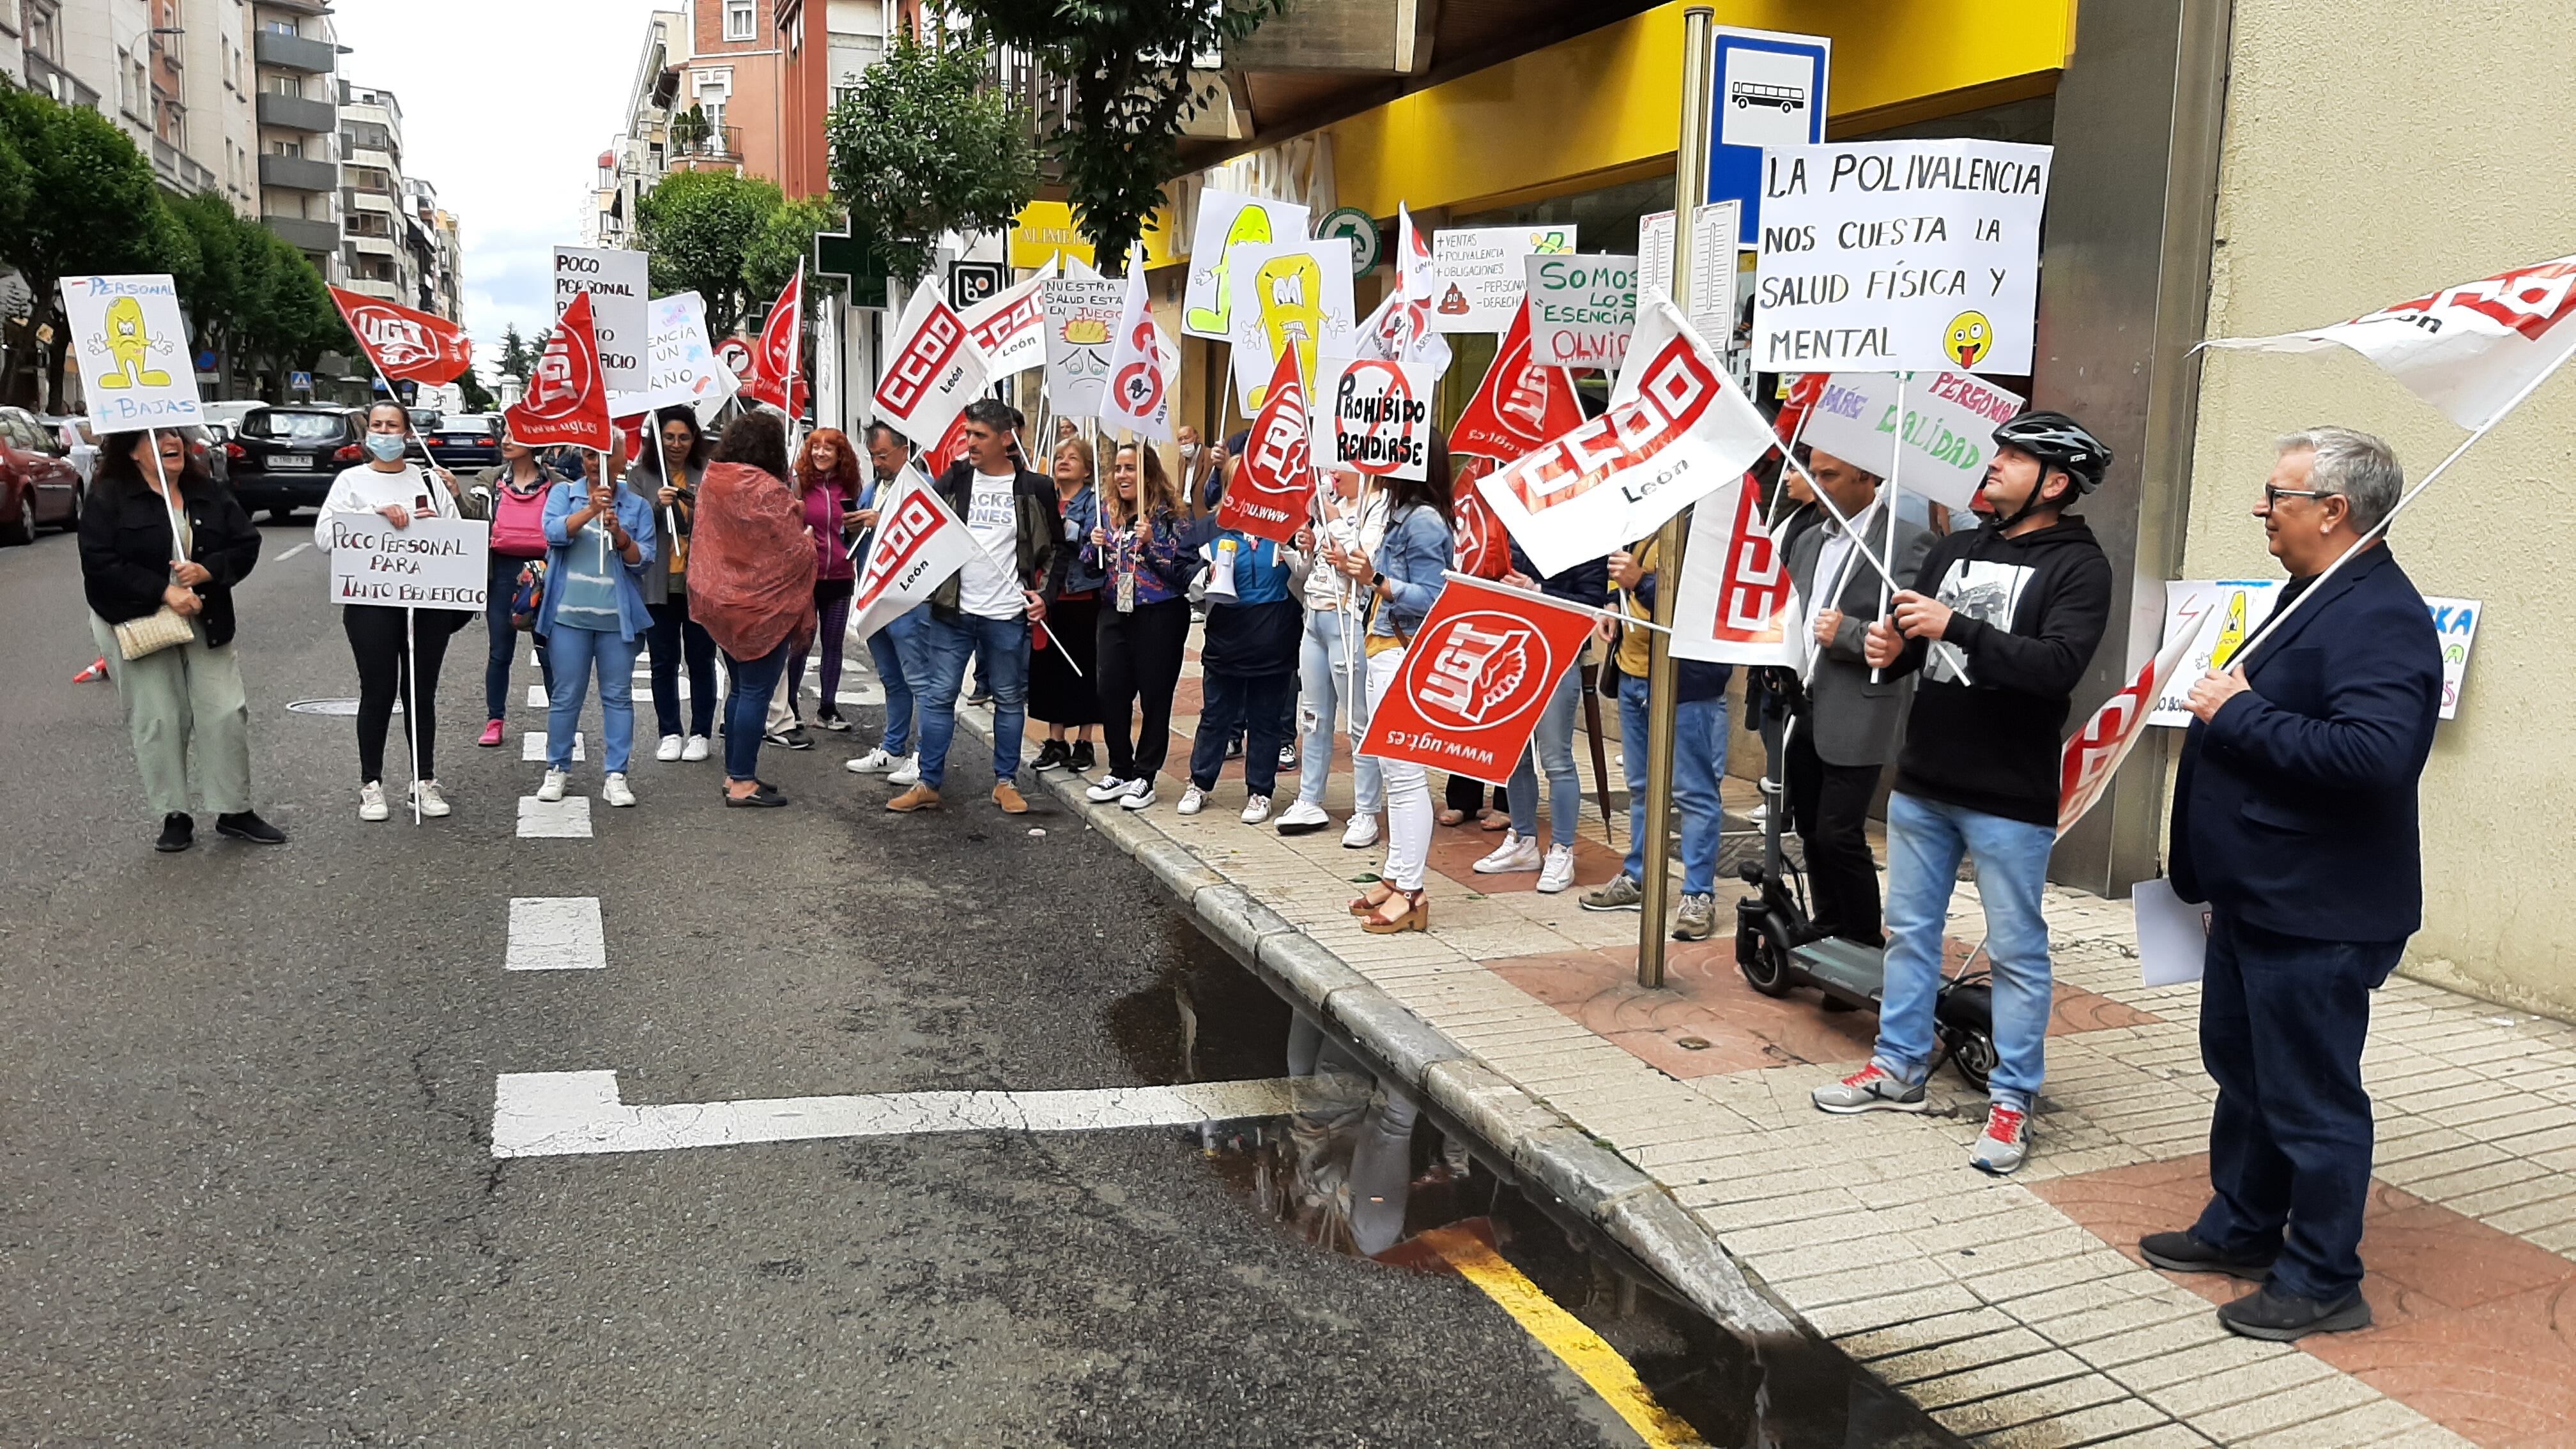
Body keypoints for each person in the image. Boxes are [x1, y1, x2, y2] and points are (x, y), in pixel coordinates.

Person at [2143, 428, 2441, 1342]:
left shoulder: (2379, 615)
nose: (2262, 510)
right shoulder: (2313, 594)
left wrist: (2240, 714)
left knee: (2312, 1097)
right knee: (2248, 1077)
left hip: (2319, 908)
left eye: (2276, 494)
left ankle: (2322, 1279)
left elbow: (2374, 756)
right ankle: (2242, 1227)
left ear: (2333, 510)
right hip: (2259, 896)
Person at [1811, 410, 2116, 1178]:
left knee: (2017, 951)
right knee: (1911, 933)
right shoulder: (1956, 547)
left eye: (2014, 459)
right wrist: (1893, 648)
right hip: (1925, 782)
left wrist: (1956, 627)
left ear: (2055, 482)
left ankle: (2013, 1099)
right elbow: (1917, 651)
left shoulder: (2081, 567)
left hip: (2009, 794)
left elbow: (2054, 667)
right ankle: (1899, 1067)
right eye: (1999, 453)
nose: (1994, 465)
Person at [79, 427, 284, 852]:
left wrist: (208, 572)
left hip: (202, 613)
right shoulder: (110, 498)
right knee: (160, 718)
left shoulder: (205, 490)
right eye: (156, 437)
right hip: (137, 618)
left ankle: (235, 810)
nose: (171, 442)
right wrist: (164, 590)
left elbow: (246, 542)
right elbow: (99, 562)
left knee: (225, 710)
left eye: (174, 435)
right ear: (133, 452)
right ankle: (174, 815)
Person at [1784, 447, 1934, 946]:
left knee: (1838, 832)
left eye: (1830, 474)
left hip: (1859, 709)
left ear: (1866, 476)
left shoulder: (1906, 544)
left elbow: (1913, 635)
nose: (1818, 484)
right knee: (1809, 826)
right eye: (1815, 473)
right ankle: (1828, 922)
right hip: (1802, 702)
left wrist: (1847, 634)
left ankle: (1863, 938)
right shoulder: (1807, 539)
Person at [891, 398, 1057, 815]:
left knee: (1007, 698)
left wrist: (1046, 595)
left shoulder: (1034, 487)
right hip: (953, 612)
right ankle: (928, 782)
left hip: (1006, 614)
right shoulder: (957, 479)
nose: (970, 442)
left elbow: (1059, 548)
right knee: (938, 696)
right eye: (967, 434)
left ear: (1006, 439)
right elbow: (925, 525)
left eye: (979, 435)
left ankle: (1005, 782)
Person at [312, 401, 472, 822]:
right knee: (378, 690)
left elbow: (458, 535)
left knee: (420, 693)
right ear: (369, 432)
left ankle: (424, 781)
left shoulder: (428, 480)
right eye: (378, 425)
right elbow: (326, 536)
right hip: (372, 603)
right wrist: (372, 515)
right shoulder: (350, 481)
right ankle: (371, 784)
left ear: (406, 434)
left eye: (393, 426)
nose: (384, 432)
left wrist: (435, 519)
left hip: (426, 603)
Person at [1578, 535, 1733, 940]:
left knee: (1695, 792)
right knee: (1642, 787)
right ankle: (1640, 875)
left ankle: (1698, 893)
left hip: (1687, 683)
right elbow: (1618, 567)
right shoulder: (1643, 515)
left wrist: (1639, 582)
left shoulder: (1710, 521)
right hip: (1634, 675)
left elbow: (1706, 603)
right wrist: (1613, 602)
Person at [1341, 434, 1457, 934]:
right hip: (1385, 647)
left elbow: (1435, 598)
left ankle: (1411, 891)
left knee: (1407, 778)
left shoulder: (1425, 521)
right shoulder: (1400, 513)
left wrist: (1379, 581)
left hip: (1403, 652)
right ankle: (1396, 877)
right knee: (1394, 774)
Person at [686, 411, 815, 807]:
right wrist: (808, 540)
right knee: (757, 691)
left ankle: (735, 774)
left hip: (719, 597)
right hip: (761, 605)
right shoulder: (769, 489)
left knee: (741, 687)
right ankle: (742, 782)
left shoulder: (714, 478)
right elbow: (791, 548)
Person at [1477, 540, 1609, 894]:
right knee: (1515, 755)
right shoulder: (1512, 530)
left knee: (1556, 758)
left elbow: (1594, 600)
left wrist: (1536, 589)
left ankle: (1562, 848)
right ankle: (1522, 840)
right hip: (1510, 646)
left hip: (1559, 651)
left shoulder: (1585, 536)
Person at [533, 439, 658, 808]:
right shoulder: (563, 494)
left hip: (617, 619)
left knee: (618, 696)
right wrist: (589, 511)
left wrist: (620, 535)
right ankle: (557, 768)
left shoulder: (636, 506)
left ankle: (616, 774)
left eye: (607, 455)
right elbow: (553, 533)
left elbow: (643, 561)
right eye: (590, 454)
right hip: (567, 616)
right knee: (565, 695)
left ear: (622, 460)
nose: (597, 463)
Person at [1273, 466, 1388, 847]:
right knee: (1313, 716)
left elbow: (1363, 562)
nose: (1334, 475)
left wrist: (1335, 523)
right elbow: (1309, 572)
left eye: (1341, 467)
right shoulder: (1330, 506)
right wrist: (1304, 546)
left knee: (1358, 720)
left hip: (1349, 620)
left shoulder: (1377, 504)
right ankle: (1309, 799)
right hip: (1316, 619)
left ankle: (1367, 811)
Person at [1176, 490, 1306, 825]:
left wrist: (1299, 548)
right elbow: (1185, 576)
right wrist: (1205, 576)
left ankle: (1260, 791)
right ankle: (1200, 783)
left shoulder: (1286, 530)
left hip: (1273, 634)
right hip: (1227, 636)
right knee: (1216, 715)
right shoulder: (1213, 530)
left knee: (1266, 718)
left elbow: (1305, 580)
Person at [1082, 440, 1198, 812]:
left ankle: (1146, 776)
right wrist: (1092, 545)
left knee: (1155, 695)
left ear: (1147, 472)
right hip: (1116, 610)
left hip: (1160, 614)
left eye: (1129, 468)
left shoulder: (1172, 517)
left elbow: (1182, 574)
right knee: (1111, 690)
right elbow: (1090, 566)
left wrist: (1151, 545)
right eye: (1117, 469)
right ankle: (1120, 767)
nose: (1121, 476)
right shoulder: (1107, 511)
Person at [629, 406, 717, 763]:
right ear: (657, 439)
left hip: (699, 583)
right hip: (657, 585)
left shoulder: (706, 473)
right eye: (669, 437)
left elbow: (721, 524)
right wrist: (655, 506)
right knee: (663, 662)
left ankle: (700, 732)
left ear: (694, 439)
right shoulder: (641, 475)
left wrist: (700, 509)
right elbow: (630, 525)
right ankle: (670, 731)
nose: (676, 444)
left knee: (701, 660)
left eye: (684, 437)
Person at [844, 422, 930, 783]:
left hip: (908, 597)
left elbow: (926, 537)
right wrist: (854, 524)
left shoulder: (922, 486)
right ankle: (893, 749)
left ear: (904, 449)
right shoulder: (873, 488)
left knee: (920, 680)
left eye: (883, 455)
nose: (877, 462)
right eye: (873, 455)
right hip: (874, 595)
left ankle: (925, 755)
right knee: (892, 679)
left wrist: (883, 522)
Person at [461, 431, 556, 748]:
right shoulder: (489, 479)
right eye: (505, 433)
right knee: (500, 652)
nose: (505, 440)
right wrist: (453, 494)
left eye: (515, 435)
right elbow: (472, 518)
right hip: (500, 573)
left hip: (543, 574)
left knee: (548, 652)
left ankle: (560, 719)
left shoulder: (557, 483)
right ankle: (495, 720)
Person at [1029, 436, 1104, 774]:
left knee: (1084, 667)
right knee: (1050, 669)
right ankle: (1055, 739)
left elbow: (1093, 545)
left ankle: (1085, 741)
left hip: (1083, 594)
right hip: (1049, 595)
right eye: (1059, 456)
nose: (1064, 461)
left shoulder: (1095, 503)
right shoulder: (1045, 499)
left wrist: (1070, 530)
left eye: (1073, 457)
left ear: (1087, 470)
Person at [783, 427, 864, 734]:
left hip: (841, 575)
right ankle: (788, 706)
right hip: (806, 576)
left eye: (828, 448)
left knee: (833, 644)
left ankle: (827, 708)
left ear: (839, 454)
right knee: (801, 641)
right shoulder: (799, 485)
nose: (820, 453)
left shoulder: (851, 487)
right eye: (815, 447)